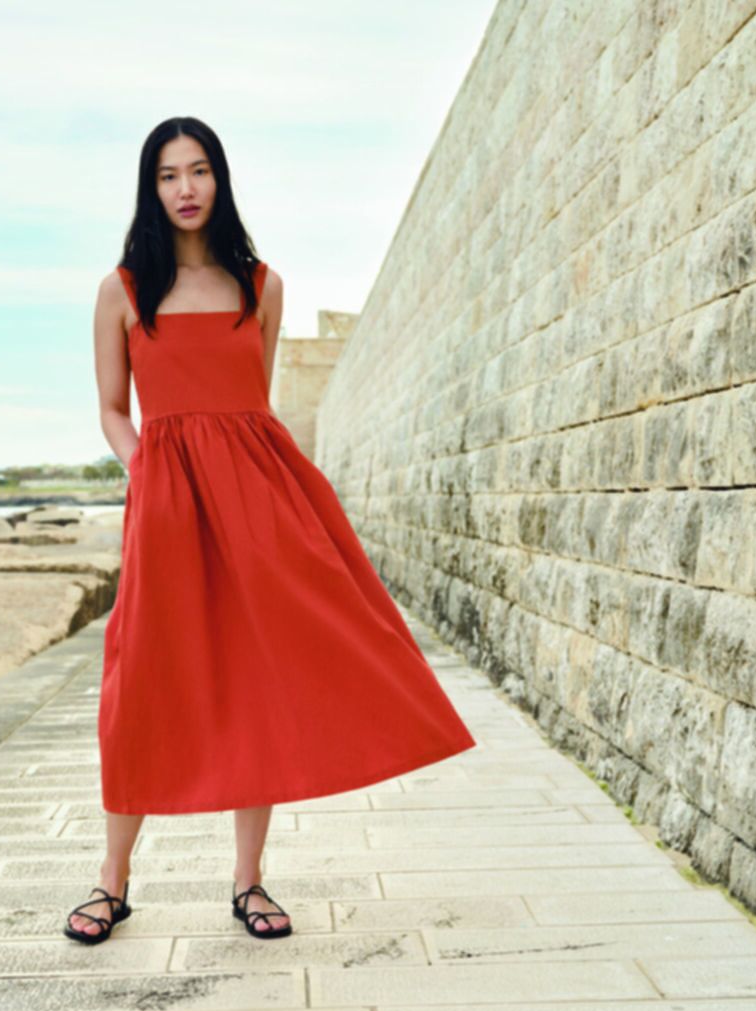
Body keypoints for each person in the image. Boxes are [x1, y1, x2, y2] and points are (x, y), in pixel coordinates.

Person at [66, 116, 476, 946]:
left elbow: (251, 403)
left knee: (256, 677)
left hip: (257, 501)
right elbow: (112, 408)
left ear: (220, 179)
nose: (185, 188)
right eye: (168, 175)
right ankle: (113, 880)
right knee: (138, 680)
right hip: (166, 504)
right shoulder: (122, 290)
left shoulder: (262, 285)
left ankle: (248, 879)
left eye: (198, 170)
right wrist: (147, 471)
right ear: (150, 189)